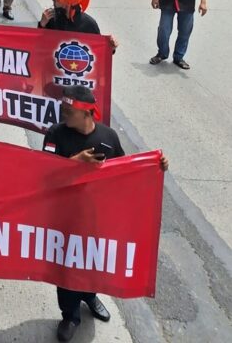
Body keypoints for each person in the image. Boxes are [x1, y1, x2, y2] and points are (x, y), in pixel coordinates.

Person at [43, 86, 169, 342]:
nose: (63, 113)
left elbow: (125, 171)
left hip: (98, 218)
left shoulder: (108, 136)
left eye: (68, 110)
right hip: (66, 218)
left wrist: (157, 167)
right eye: (63, 109)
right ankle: (70, 316)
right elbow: (43, 174)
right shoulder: (55, 134)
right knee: (67, 269)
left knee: (94, 263)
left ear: (87, 113)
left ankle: (90, 296)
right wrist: (75, 162)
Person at [39, 0, 119, 51]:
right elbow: (39, 45)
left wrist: (111, 48)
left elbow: (99, 49)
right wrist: (42, 24)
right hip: (53, 63)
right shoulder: (51, 18)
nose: (53, 1)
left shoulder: (89, 24)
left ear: (67, 4)